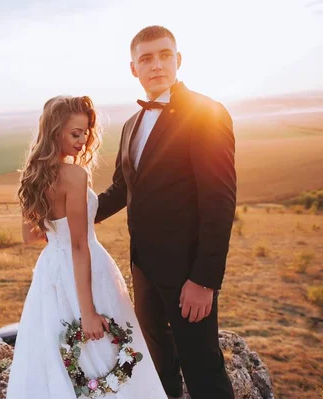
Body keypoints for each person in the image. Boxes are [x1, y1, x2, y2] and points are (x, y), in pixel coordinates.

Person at [95, 25, 237, 399]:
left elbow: (219, 201)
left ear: (178, 60)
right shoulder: (131, 126)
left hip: (188, 274)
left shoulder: (206, 113)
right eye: (146, 58)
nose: (156, 64)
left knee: (203, 369)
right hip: (143, 270)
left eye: (163, 55)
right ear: (133, 69)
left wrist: (204, 280)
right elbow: (122, 190)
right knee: (158, 368)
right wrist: (74, 213)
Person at [6, 95, 167, 398]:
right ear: (56, 132)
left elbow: (31, 236)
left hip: (51, 272)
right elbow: (80, 245)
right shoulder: (75, 175)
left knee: (51, 359)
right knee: (102, 358)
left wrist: (58, 236)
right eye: (75, 133)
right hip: (85, 271)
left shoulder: (33, 174)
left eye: (85, 133)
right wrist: (88, 313)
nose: (83, 140)